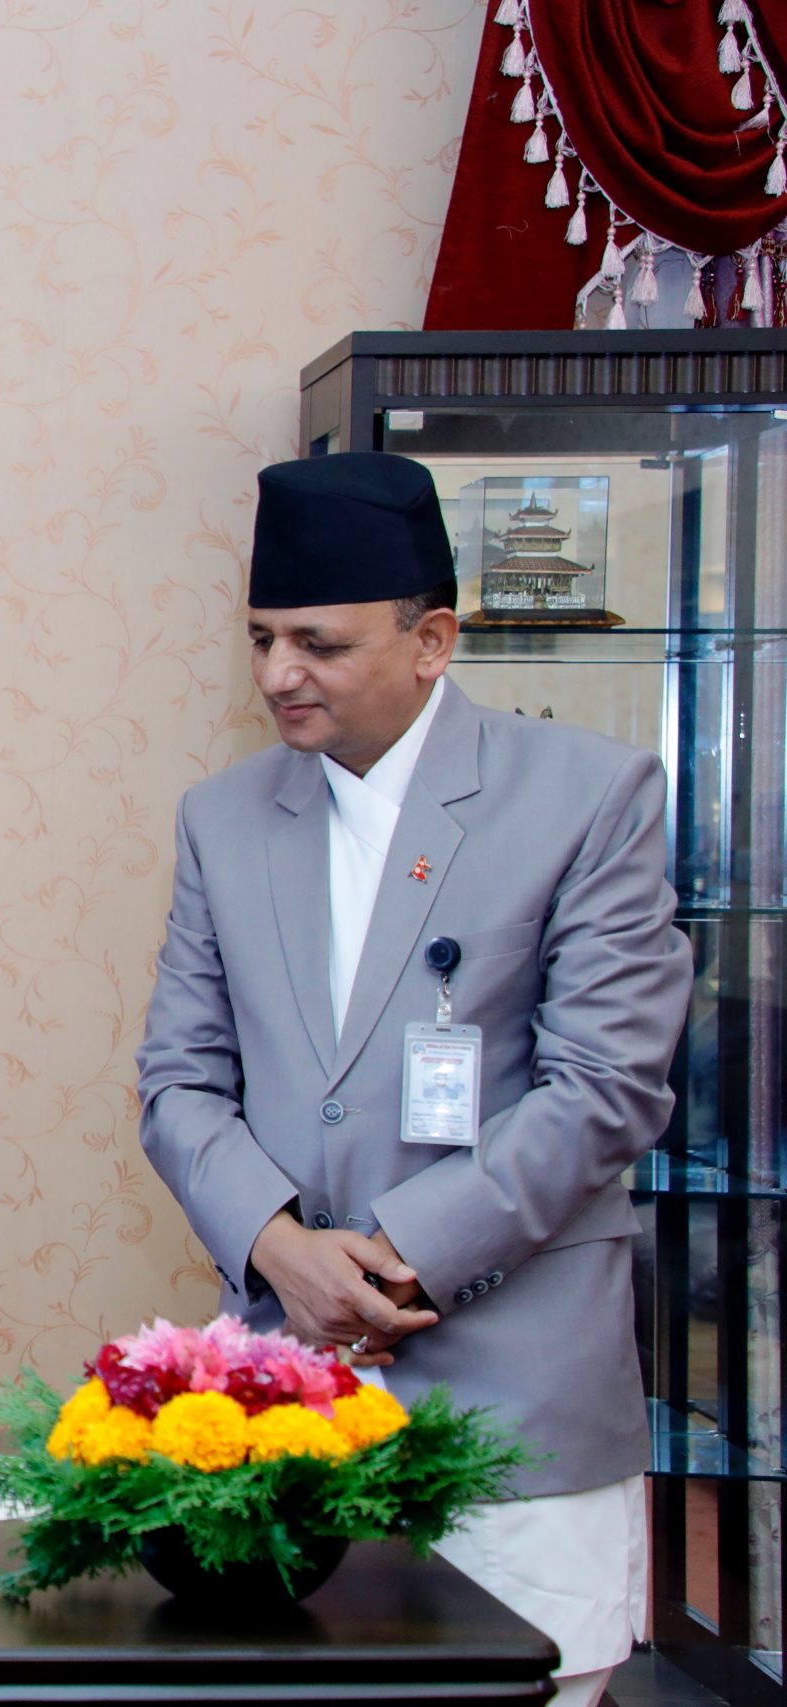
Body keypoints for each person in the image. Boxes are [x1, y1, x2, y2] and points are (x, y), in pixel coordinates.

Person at [135, 452, 689, 1706]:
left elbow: (608, 1087)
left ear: (431, 639)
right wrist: (281, 1248)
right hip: (291, 1409)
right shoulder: (222, 818)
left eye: (318, 645)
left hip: (517, 1402)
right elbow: (178, 1079)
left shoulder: (589, 796)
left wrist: (392, 1254)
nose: (279, 675)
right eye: (262, 639)